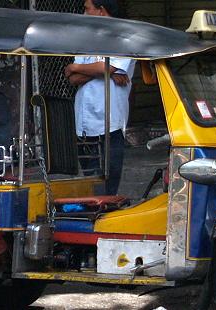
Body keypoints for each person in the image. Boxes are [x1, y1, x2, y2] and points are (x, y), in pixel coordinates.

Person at [64, 0, 134, 195]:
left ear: (101, 10)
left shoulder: (123, 37)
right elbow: (73, 79)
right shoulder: (86, 39)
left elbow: (104, 67)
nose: (84, 13)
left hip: (109, 122)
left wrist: (79, 67)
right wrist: (106, 71)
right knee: (89, 182)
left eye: (87, 9)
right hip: (84, 123)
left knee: (108, 185)